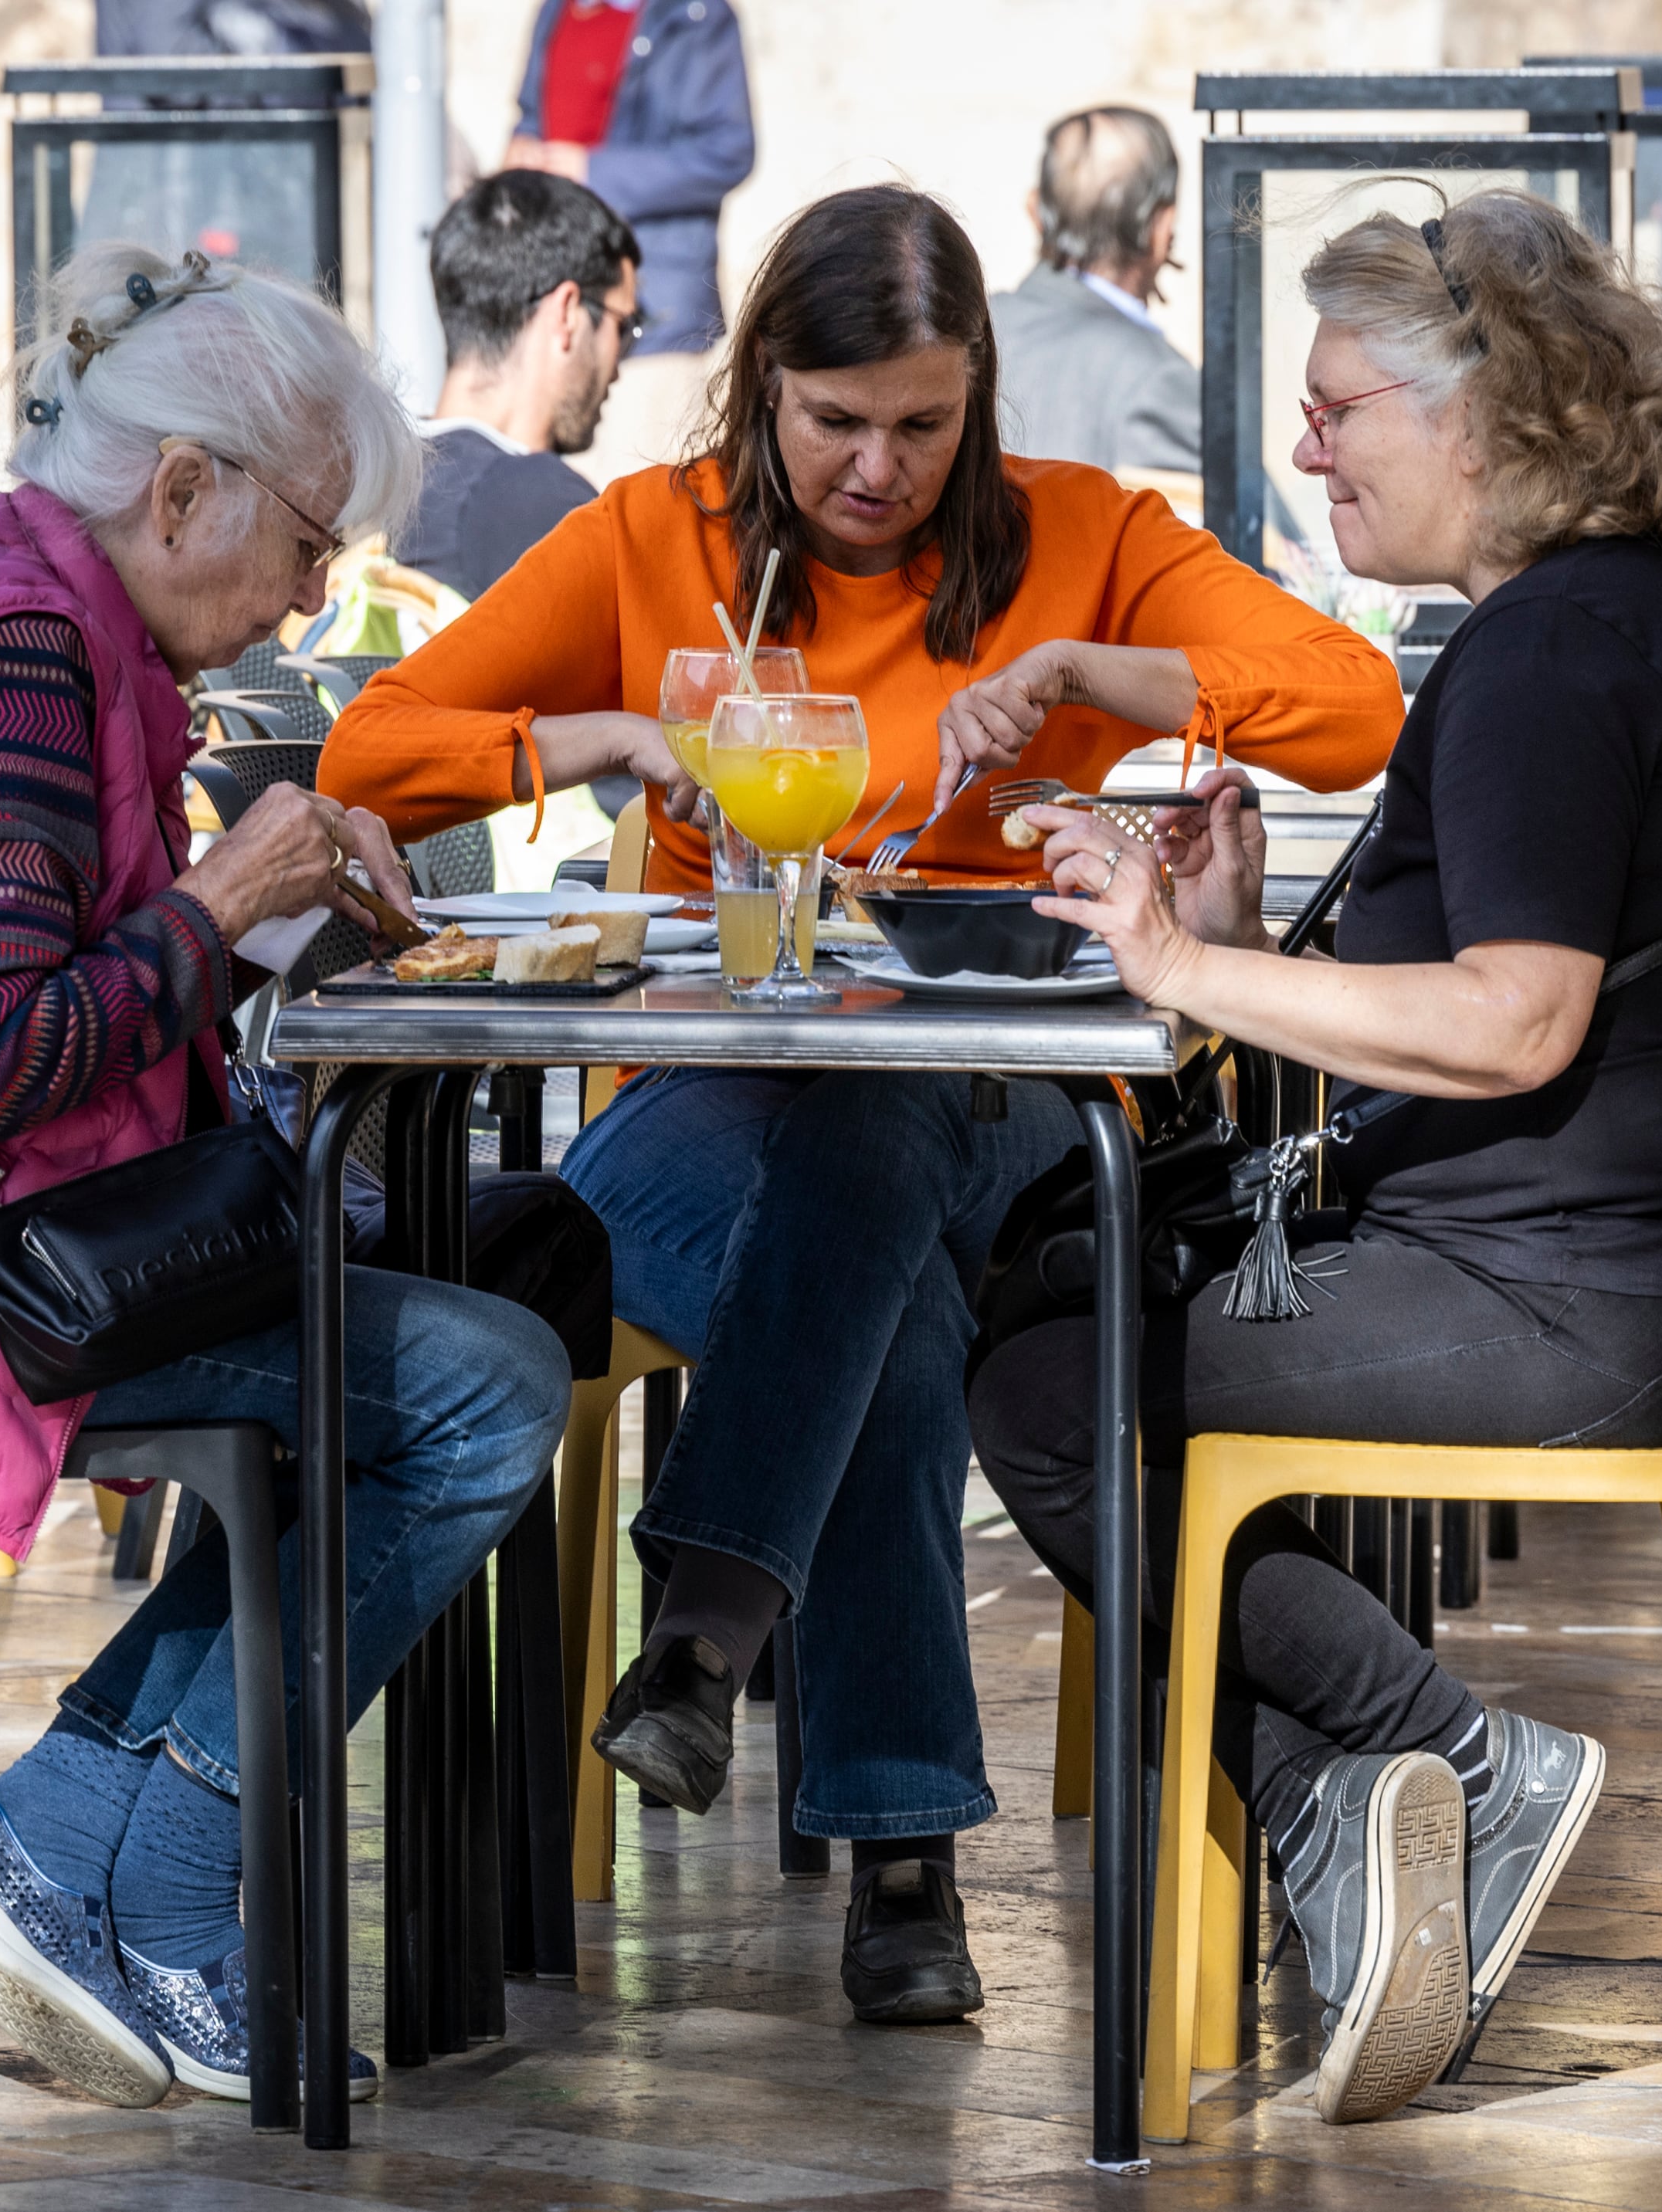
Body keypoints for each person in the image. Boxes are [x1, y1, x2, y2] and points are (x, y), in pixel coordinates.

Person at [320, 185, 1401, 2026]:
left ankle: (710, 1636)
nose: (879, 468)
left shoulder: (1081, 539)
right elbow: (368, 757)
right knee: (867, 1237)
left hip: (1013, 1143)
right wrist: (600, 738)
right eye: (834, 423)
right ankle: (897, 1843)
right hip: (696, 1123)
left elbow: (1351, 701)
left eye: (922, 422)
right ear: (762, 393)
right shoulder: (655, 540)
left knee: (884, 1135)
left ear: (975, 392)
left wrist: (1084, 675)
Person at [0, 243, 573, 2110]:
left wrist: (244, 921)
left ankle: (75, 1825)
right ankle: (158, 1878)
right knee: (484, 1387)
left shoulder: (17, 601)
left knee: (524, 1257)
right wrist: (218, 900)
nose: (314, 601)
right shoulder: (10, 654)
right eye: (311, 551)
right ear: (181, 492)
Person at [973, 188, 1662, 2122]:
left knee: (1043, 1385)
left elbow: (1515, 1017)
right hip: (1617, 1275)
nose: (1302, 445)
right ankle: (1355, 1810)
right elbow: (1483, 997)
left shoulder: (1542, 654)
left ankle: (1430, 1759)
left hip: (1571, 1301)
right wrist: (1255, 957)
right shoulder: (1605, 625)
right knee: (1072, 1318)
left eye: (1339, 405)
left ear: (1488, 425)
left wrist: (1181, 966)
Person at [503, 0, 752, 481]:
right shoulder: (558, 10)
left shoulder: (696, 16)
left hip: (652, 309)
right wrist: (523, 151)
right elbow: (534, 116)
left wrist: (590, 169)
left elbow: (727, 152)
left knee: (644, 505)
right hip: (558, 301)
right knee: (561, 508)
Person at [402, 171, 642, 601]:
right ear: (567, 313)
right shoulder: (538, 501)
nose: (620, 367)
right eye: (624, 327)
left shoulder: (381, 472)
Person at [989, 107, 1202, 478]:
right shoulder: (1160, 382)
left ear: (1034, 211)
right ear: (1162, 228)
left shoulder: (961, 329)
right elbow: (1254, 535)